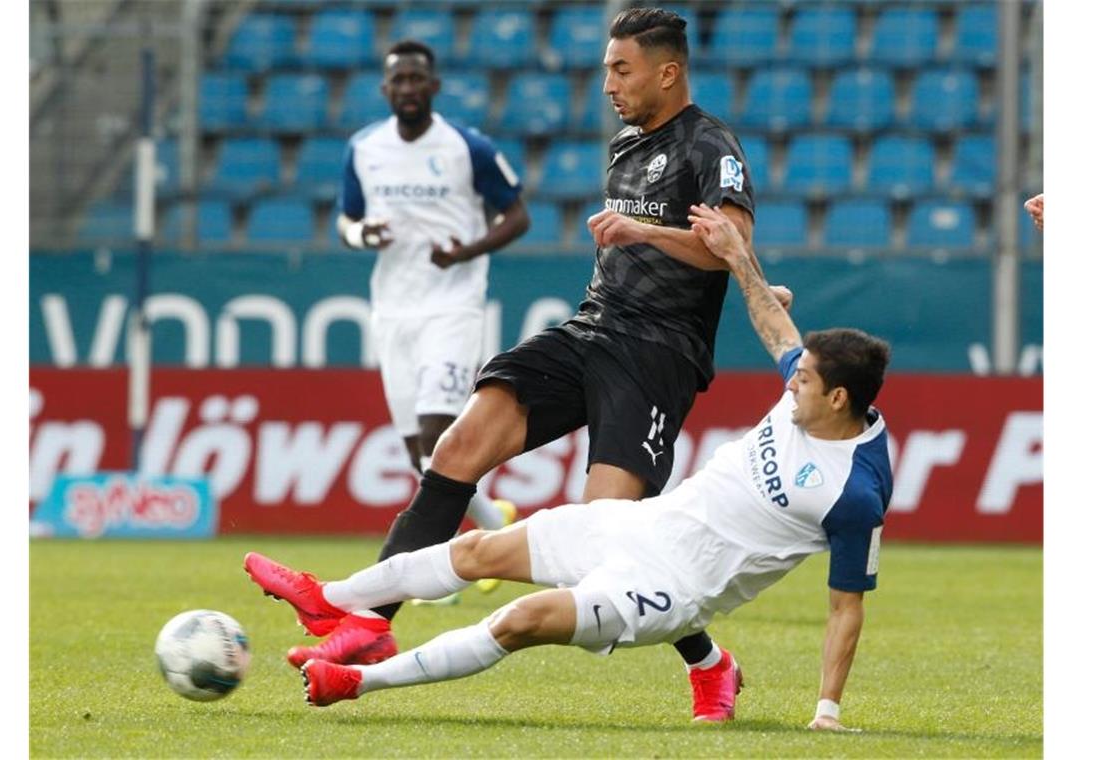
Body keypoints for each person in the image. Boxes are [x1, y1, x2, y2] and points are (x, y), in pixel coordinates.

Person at [253, 8, 791, 721]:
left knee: (608, 536)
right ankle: (372, 623)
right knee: (457, 445)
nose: (608, 84)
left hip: (658, 355)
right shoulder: (626, 143)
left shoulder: (710, 145)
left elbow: (734, 247)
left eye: (620, 69)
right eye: (606, 69)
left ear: (668, 71)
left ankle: (711, 664)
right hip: (590, 329)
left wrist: (642, 230)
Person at [245, 204, 892, 731]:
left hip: (675, 589)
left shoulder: (854, 492)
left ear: (839, 399)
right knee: (476, 550)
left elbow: (846, 609)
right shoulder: (807, 389)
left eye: (803, 381)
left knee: (522, 620)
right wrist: (736, 255)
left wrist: (826, 713)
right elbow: (774, 322)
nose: (790, 382)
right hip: (645, 526)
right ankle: (327, 596)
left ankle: (356, 681)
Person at [331, 40, 529, 616]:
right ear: (386, 89)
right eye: (399, 80)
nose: (409, 88)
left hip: (453, 304)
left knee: (438, 431)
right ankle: (493, 523)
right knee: (417, 450)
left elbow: (518, 214)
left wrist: (467, 250)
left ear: (434, 86)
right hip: (393, 309)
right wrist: (363, 235)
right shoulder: (364, 148)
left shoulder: (468, 147)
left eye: (418, 78)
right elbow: (345, 220)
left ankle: (430, 564)